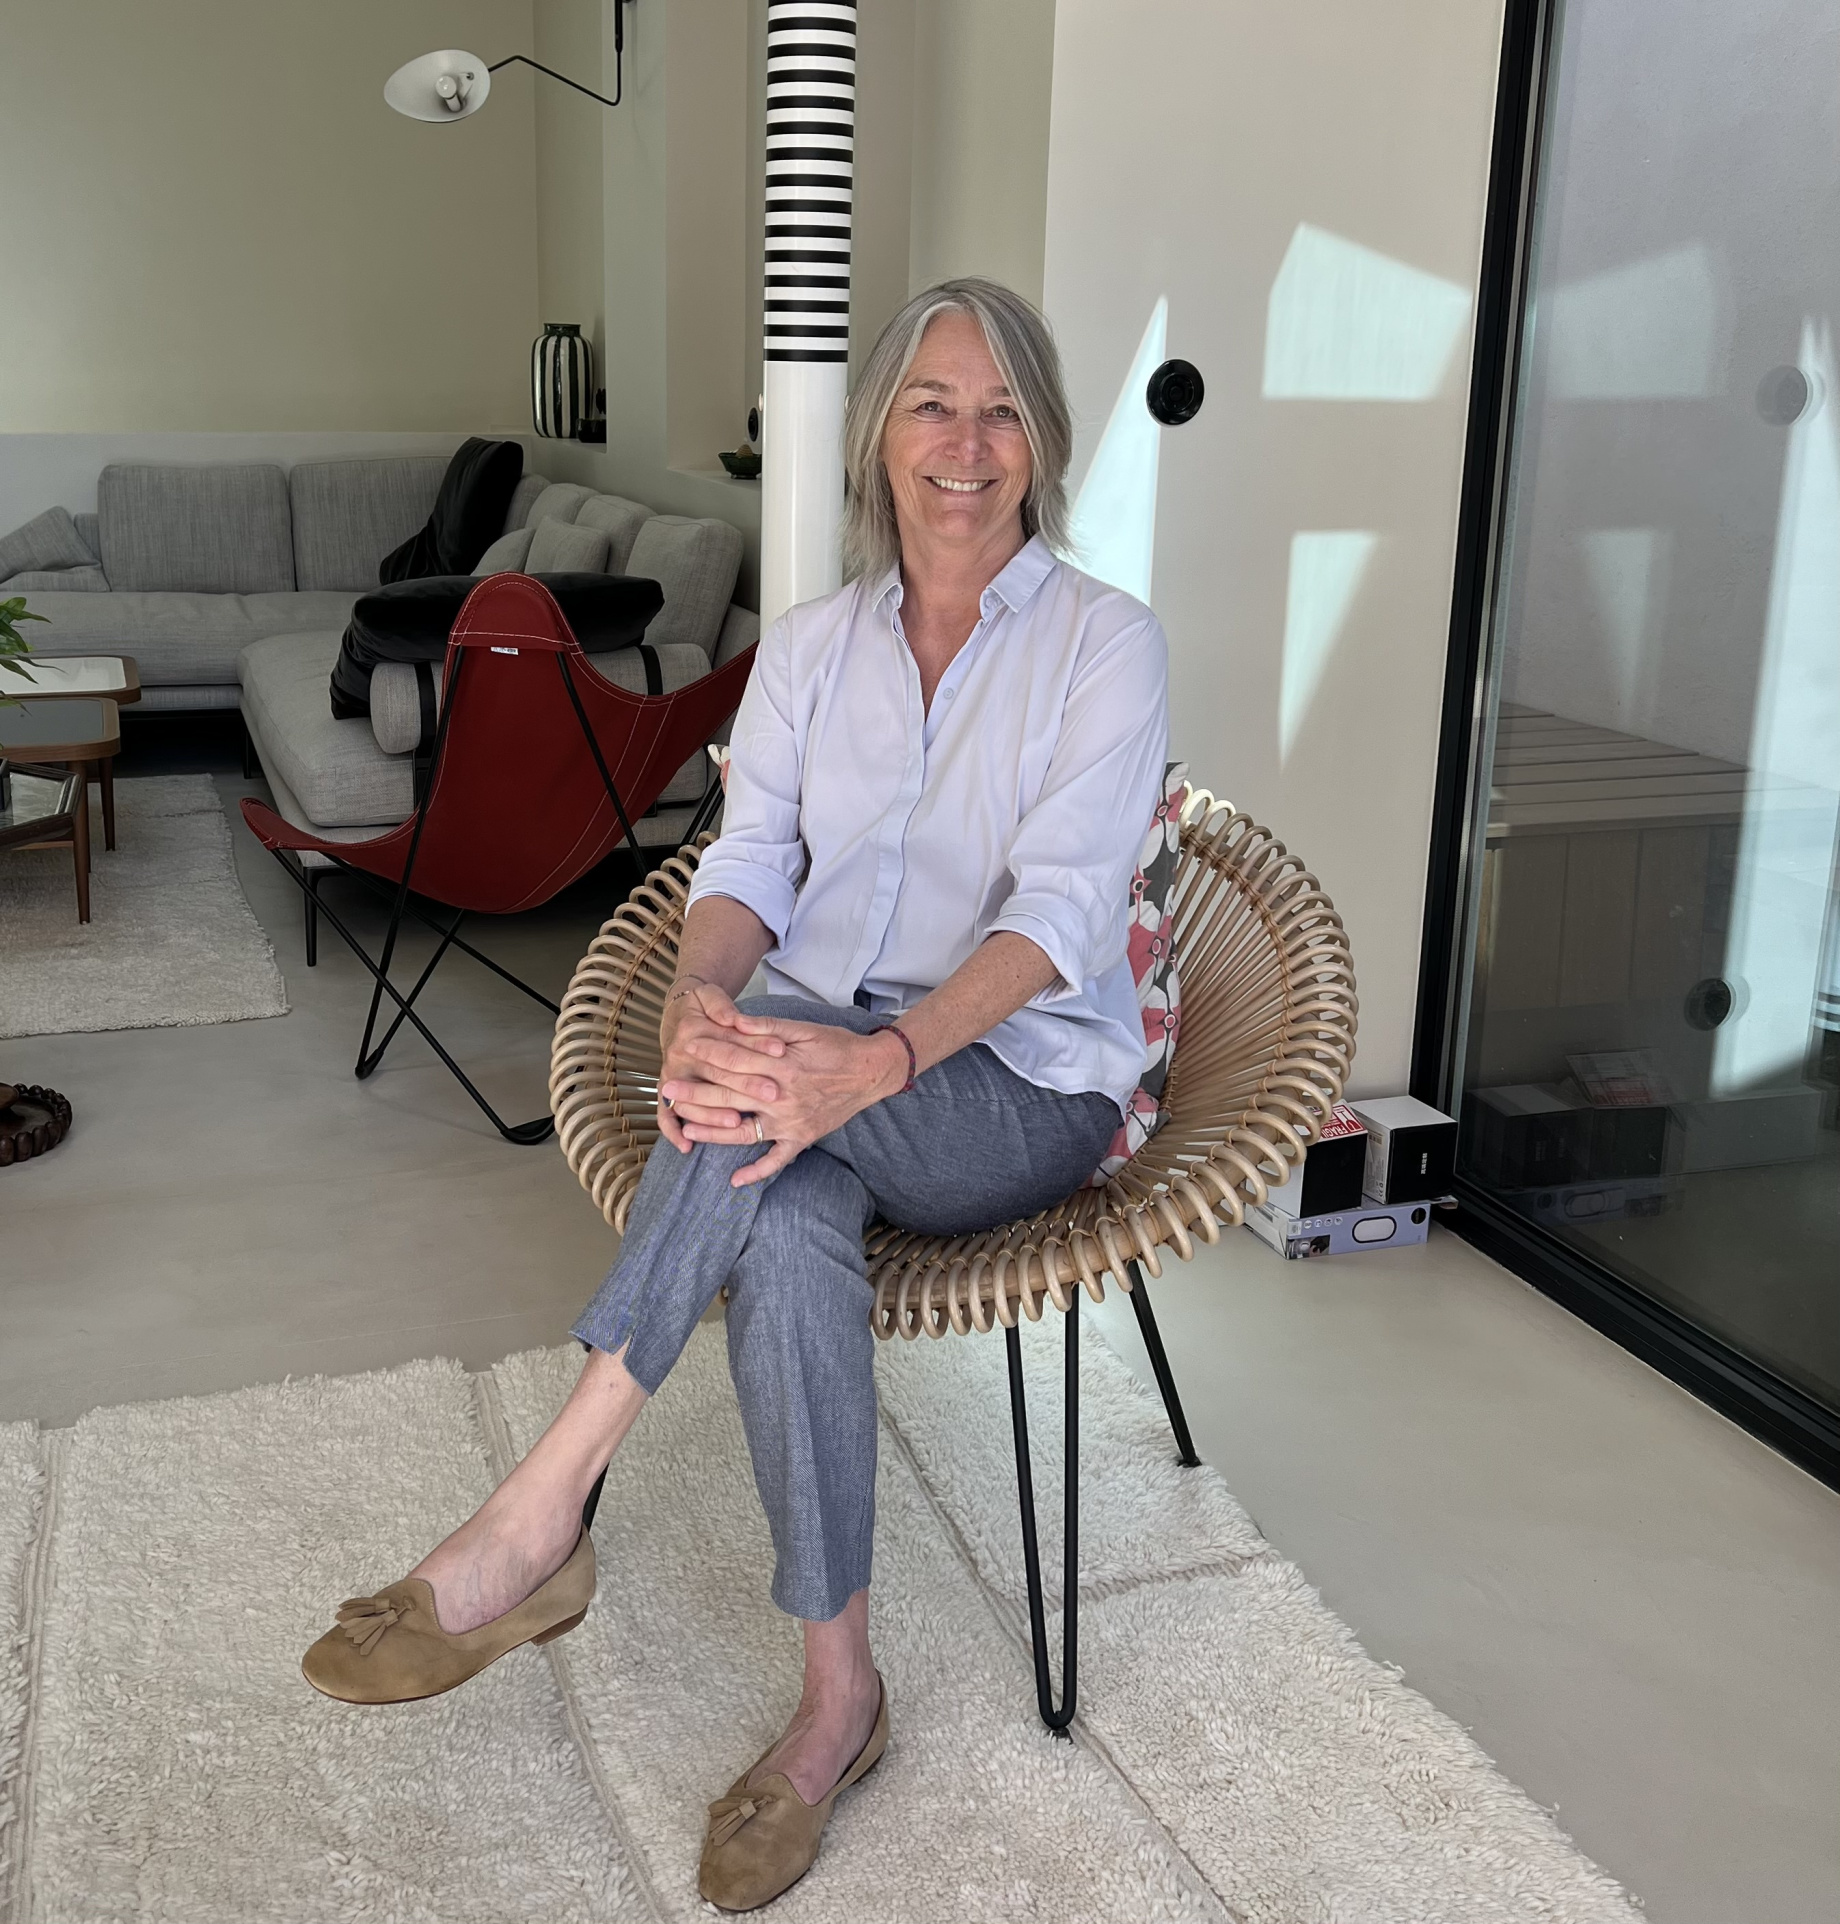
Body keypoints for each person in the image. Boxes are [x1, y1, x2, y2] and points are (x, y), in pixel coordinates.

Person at [298, 277, 1169, 1913]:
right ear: (881, 437)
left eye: (1001, 409)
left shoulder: (1104, 645)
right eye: (932, 404)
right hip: (806, 1049)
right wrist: (706, 998)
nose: (966, 443)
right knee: (779, 1208)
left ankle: (542, 1512)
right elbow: (749, 863)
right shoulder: (816, 648)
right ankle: (840, 1700)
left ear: (1044, 442)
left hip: (1013, 1083)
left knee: (752, 1107)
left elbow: (1061, 917)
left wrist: (875, 1060)